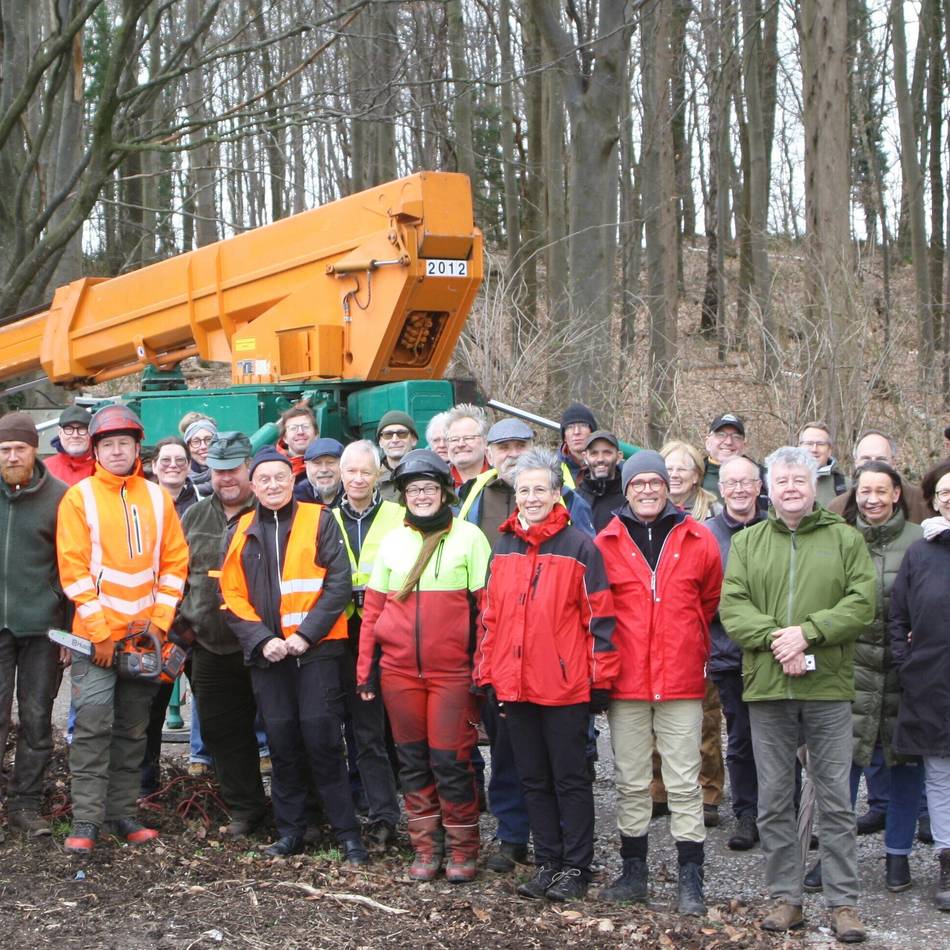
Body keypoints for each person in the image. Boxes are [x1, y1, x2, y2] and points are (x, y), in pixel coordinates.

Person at [719, 446, 875, 942]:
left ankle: (843, 902)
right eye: (782, 480)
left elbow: (861, 602)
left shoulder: (845, 539)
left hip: (827, 685)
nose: (791, 488)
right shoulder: (747, 544)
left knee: (834, 798)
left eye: (800, 480)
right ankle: (787, 898)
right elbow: (733, 606)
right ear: (768, 487)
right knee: (773, 800)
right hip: (767, 687)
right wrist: (777, 638)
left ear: (814, 487)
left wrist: (808, 633)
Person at [476, 448, 620, 902]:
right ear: (514, 496)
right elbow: (490, 618)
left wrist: (599, 682)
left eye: (541, 488)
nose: (532, 497)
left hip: (563, 685)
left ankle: (576, 866)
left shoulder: (580, 547)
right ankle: (548, 862)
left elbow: (600, 620)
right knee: (531, 777)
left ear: (558, 494)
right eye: (524, 490)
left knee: (570, 778)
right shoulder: (503, 546)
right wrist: (487, 673)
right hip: (514, 684)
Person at [220, 446, 366, 862]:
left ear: (292, 480)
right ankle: (291, 831)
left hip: (316, 652)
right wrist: (262, 639)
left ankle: (346, 833)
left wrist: (306, 635)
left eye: (280, 478)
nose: (272, 485)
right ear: (253, 484)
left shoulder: (319, 519)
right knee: (281, 743)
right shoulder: (240, 529)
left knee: (323, 740)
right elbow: (229, 595)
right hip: (268, 656)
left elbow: (339, 584)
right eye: (263, 479)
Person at [594, 451, 722, 916]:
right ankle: (634, 873)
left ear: (669, 487)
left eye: (655, 482)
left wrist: (683, 643)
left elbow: (708, 599)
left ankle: (691, 879)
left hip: (681, 678)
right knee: (630, 780)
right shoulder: (606, 542)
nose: (647, 490)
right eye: (638, 483)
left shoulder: (698, 538)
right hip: (626, 681)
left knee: (684, 781)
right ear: (626, 490)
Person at [57, 405, 189, 853]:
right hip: (97, 638)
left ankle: (122, 812)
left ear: (137, 447)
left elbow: (175, 565)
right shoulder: (80, 498)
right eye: (108, 444)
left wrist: (158, 624)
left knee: (134, 728)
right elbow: (73, 571)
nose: (117, 451)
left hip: (144, 637)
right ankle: (87, 820)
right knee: (93, 723)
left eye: (124, 443)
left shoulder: (157, 497)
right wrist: (99, 633)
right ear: (96, 450)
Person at [356, 450, 491, 883]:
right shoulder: (393, 542)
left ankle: (463, 850)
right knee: (411, 761)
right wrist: (365, 671)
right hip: (398, 673)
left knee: (451, 761)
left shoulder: (470, 537)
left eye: (429, 488)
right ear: (404, 495)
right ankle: (426, 848)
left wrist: (482, 669)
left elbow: (487, 613)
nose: (421, 496)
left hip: (451, 673)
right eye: (413, 490)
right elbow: (373, 613)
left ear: (444, 491)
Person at [803, 462, 924, 895]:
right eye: (864, 491)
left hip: (903, 673)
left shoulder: (919, 541)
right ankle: (833, 857)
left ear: (896, 495)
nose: (871, 499)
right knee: (840, 769)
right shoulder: (837, 539)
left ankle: (898, 857)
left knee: (905, 765)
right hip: (848, 668)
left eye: (881, 491)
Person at [178, 432, 270, 838]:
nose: (225, 478)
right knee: (221, 731)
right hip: (210, 646)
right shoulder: (194, 518)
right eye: (217, 471)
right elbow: (179, 577)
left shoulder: (271, 512)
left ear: (248, 467)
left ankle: (297, 808)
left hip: (264, 645)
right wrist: (184, 629)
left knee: (283, 730)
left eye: (232, 469)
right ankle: (246, 808)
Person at [331, 440, 404, 850]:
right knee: (336, 727)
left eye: (365, 472)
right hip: (338, 632)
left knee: (372, 729)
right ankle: (341, 808)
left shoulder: (397, 515)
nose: (357, 479)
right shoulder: (326, 518)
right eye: (351, 472)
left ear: (378, 475)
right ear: (341, 475)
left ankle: (384, 815)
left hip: (382, 632)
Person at [0, 412, 68, 838]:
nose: (11, 456)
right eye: (4, 450)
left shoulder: (60, 498)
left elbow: (72, 567)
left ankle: (25, 804)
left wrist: (68, 628)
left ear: (33, 450)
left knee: (38, 718)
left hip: (43, 629)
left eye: (19, 448)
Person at [889, 458, 950, 911]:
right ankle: (949, 864)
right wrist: (908, 663)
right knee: (941, 777)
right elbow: (898, 616)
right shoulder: (920, 551)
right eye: (943, 492)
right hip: (931, 682)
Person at [652, 439, 723, 827]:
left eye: (683, 467)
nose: (675, 474)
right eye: (669, 467)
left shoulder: (710, 516)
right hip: (652, 634)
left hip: (695, 633)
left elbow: (712, 590)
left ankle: (707, 791)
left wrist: (694, 621)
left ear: (698, 475)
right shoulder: (646, 514)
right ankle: (658, 790)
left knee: (703, 719)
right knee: (653, 721)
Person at [706, 456, 766, 851]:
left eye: (748, 481)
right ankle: (748, 812)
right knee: (742, 738)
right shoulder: (706, 534)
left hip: (775, 652)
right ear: (721, 488)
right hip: (729, 654)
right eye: (732, 483)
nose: (740, 489)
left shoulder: (777, 529)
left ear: (760, 487)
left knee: (781, 739)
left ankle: (784, 811)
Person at [828, 430, 930, 525]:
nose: (873, 465)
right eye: (866, 459)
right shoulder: (837, 508)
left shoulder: (921, 501)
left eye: (881, 459)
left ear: (893, 462)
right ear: (856, 462)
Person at [575, 430, 625, 534]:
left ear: (619, 457)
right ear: (585, 457)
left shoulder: (630, 497)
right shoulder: (575, 499)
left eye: (607, 453)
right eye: (594, 453)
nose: (600, 459)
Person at [153, 436, 205, 517]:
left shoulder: (206, 508)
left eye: (180, 460)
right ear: (154, 466)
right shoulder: (140, 506)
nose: (173, 465)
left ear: (189, 466)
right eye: (166, 460)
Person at [798, 421, 847, 506]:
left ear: (829, 450)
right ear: (799, 447)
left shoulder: (845, 486)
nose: (814, 449)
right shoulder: (781, 483)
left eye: (820, 444)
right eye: (809, 443)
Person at [44, 404, 95, 485]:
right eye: (68, 429)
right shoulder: (44, 470)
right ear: (60, 433)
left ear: (91, 433)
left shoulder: (104, 468)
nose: (75, 435)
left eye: (82, 429)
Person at [376, 410, 419, 500]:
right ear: (380, 442)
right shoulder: (371, 481)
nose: (395, 440)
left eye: (402, 434)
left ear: (414, 439)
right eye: (388, 435)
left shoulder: (429, 475)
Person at [445, 403, 490, 488]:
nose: (461, 444)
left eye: (468, 438)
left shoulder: (500, 480)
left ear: (485, 442)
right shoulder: (437, 481)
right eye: (454, 439)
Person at [274, 404, 317, 483]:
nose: (300, 432)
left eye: (306, 427)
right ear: (284, 438)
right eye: (293, 428)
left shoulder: (327, 466)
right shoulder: (272, 465)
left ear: (316, 434)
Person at [294, 437, 344, 506]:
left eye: (330, 462)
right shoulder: (294, 498)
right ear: (306, 466)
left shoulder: (355, 492)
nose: (324, 470)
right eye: (317, 463)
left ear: (343, 464)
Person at [558, 403, 597, 488]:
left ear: (592, 432)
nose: (576, 432)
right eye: (570, 427)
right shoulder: (551, 468)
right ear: (564, 436)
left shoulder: (610, 466)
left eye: (583, 425)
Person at [181, 414, 217, 495]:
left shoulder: (233, 467)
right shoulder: (177, 473)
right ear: (188, 447)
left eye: (208, 440)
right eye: (196, 441)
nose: (203, 446)